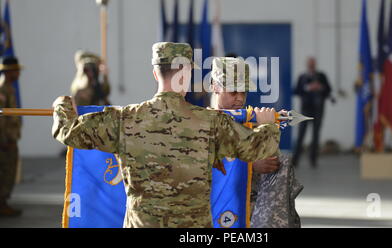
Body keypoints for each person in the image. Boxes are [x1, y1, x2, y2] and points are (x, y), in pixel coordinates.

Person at [52, 42, 281, 228]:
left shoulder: (122, 119)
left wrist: (62, 104)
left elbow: (68, 133)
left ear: (155, 73)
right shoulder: (212, 122)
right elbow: (256, 148)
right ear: (188, 74)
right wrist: (267, 124)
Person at [210, 57, 302, 228]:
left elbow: (274, 170)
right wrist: (250, 165)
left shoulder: (254, 124)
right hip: (214, 215)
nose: (239, 99)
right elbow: (196, 166)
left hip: (252, 216)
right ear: (215, 87)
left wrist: (266, 128)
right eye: (233, 92)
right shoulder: (201, 124)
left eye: (243, 92)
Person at [293, 57, 332, 168]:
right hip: (305, 110)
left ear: (315, 65)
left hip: (318, 110)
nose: (311, 66)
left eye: (313, 64)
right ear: (307, 65)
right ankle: (295, 160)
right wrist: (308, 87)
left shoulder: (321, 76)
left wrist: (320, 87)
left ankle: (313, 160)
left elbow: (328, 89)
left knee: (315, 136)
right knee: (301, 135)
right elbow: (296, 90)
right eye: (309, 64)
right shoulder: (302, 77)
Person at [0, 57, 23, 217]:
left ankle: (4, 202)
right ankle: (1, 203)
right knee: (5, 171)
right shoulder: (3, 89)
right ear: (9, 71)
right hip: (5, 140)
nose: (18, 73)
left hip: (10, 137)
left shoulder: (9, 87)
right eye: (16, 70)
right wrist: (4, 140)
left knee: (10, 170)